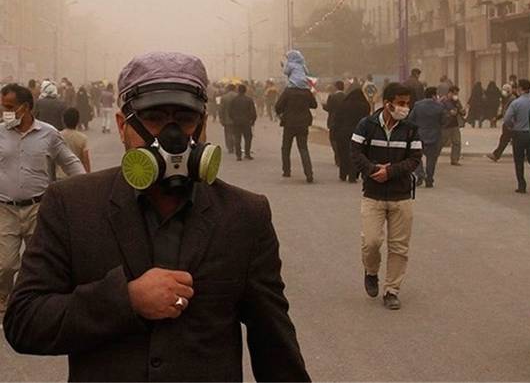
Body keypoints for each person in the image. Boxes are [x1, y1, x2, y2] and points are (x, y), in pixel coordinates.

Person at [3, 51, 310, 382]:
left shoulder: (244, 215)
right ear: (122, 125)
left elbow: (275, 347)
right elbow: (24, 321)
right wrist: (125, 300)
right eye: (153, 118)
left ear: (203, 125)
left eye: (185, 118)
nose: (172, 136)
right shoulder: (72, 204)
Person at [0, 84, 84, 320]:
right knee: (5, 264)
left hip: (38, 208)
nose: (4, 112)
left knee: (38, 263)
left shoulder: (49, 134)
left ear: (25, 107)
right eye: (3, 107)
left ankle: (31, 301)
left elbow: (70, 162)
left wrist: (86, 185)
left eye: (9, 107)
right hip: (5, 209)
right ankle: (3, 297)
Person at [350, 83, 422, 310]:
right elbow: (355, 152)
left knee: (399, 247)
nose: (405, 107)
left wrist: (390, 171)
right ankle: (371, 272)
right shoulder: (366, 125)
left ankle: (392, 290)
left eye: (407, 103)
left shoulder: (411, 129)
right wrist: (373, 170)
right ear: (387, 103)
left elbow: (415, 158)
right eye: (401, 103)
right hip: (373, 194)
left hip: (401, 195)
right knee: (371, 242)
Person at [275, 81, 317, 183]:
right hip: (303, 124)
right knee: (303, 148)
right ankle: (309, 173)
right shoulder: (306, 92)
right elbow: (314, 105)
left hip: (289, 124)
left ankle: (286, 170)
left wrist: (282, 113)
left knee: (286, 148)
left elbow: (278, 106)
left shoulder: (288, 92)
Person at [503, 79, 530, 193]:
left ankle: (521, 185)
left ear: (520, 88)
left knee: (519, 160)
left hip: (518, 134)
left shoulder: (516, 103)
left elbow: (507, 118)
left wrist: (512, 126)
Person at [409, 86, 446, 187]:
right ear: (434, 95)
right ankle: (429, 179)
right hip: (435, 136)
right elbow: (444, 121)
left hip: (419, 136)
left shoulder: (418, 105)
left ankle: (420, 173)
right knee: (431, 159)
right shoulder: (440, 106)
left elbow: (411, 119)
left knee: (416, 157)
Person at [335, 83, 370, 183]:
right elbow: (367, 120)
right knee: (356, 154)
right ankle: (353, 175)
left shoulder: (344, 104)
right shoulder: (365, 105)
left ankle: (343, 174)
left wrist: (335, 132)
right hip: (359, 133)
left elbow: (337, 119)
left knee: (344, 153)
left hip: (343, 132)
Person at [487, 83, 518, 162]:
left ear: (509, 91)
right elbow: (505, 112)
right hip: (509, 122)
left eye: (505, 90)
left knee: (506, 140)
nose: (503, 92)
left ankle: (496, 155)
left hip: (511, 123)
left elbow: (510, 112)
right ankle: (496, 155)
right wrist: (497, 118)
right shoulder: (507, 99)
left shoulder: (512, 100)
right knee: (507, 140)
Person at [57, 108, 91, 178]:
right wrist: (88, 176)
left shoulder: (57, 136)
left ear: (63, 121)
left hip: (60, 177)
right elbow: (85, 159)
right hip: (76, 176)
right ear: (78, 121)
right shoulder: (82, 138)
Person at [230, 84, 257, 161]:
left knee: (237, 139)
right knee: (248, 138)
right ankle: (247, 154)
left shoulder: (234, 100)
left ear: (238, 90)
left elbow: (230, 112)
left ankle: (238, 155)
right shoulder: (249, 100)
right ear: (245, 91)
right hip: (246, 122)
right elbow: (253, 112)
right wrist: (253, 121)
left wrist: (234, 119)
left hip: (236, 122)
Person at [440, 85, 466, 166]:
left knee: (457, 142)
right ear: (449, 93)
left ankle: (455, 159)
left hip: (455, 124)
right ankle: (433, 156)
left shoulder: (457, 101)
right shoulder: (443, 101)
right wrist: (449, 113)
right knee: (441, 142)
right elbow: (440, 111)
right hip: (445, 125)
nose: (455, 95)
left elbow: (461, 111)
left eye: (457, 94)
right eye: (454, 93)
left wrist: (462, 111)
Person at [322, 80, 346, 167]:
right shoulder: (347, 96)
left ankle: (337, 156)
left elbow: (329, 108)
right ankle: (341, 157)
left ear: (336, 87)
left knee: (333, 139)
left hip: (333, 121)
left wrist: (323, 105)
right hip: (344, 121)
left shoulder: (332, 97)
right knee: (342, 140)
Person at [218, 83, 237, 154]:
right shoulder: (237, 96)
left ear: (228, 89)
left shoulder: (224, 97)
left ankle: (230, 148)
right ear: (234, 89)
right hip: (236, 119)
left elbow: (221, 109)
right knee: (236, 133)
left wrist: (221, 118)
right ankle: (235, 145)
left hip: (227, 119)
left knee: (228, 133)